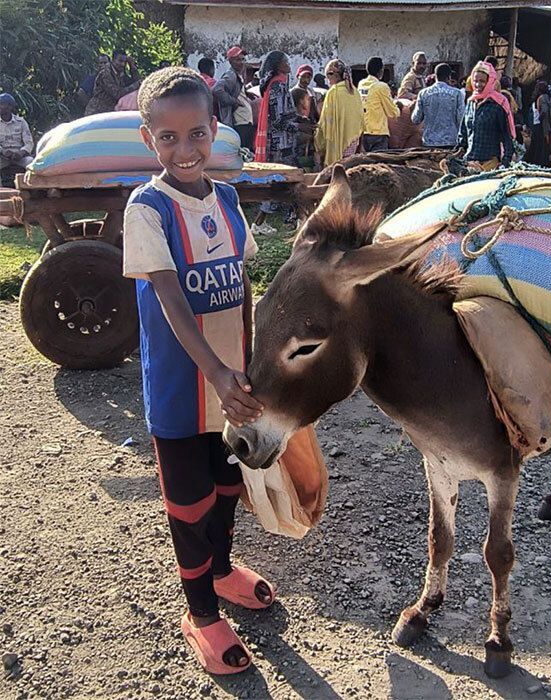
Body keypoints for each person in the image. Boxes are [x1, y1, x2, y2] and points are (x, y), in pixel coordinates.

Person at [123, 66, 271, 677]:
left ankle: (222, 567)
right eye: (168, 138)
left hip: (232, 384)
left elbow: (241, 287)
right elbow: (169, 298)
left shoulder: (229, 199)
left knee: (229, 484)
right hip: (187, 387)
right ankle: (202, 612)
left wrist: (252, 365)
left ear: (216, 130)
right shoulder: (147, 208)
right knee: (189, 501)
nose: (185, 150)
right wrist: (213, 371)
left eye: (197, 135)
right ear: (148, 139)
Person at [253, 51, 304, 232]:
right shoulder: (276, 87)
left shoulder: (279, 85)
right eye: (285, 61)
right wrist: (299, 129)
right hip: (280, 144)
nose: (288, 64)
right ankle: (261, 222)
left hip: (284, 141)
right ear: (277, 66)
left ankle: (294, 217)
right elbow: (276, 120)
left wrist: (300, 120)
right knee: (285, 179)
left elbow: (284, 113)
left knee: (286, 180)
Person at [459, 61, 515, 170]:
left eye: (482, 81)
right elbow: (463, 132)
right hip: (470, 161)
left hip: (490, 163)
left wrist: (505, 161)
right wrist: (459, 151)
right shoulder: (470, 103)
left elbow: (506, 136)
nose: (478, 85)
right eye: (475, 81)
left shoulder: (497, 105)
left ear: (490, 82)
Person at [314, 59, 364, 167]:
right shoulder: (354, 91)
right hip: (353, 143)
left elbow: (325, 122)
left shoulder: (334, 92)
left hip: (338, 144)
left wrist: (318, 144)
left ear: (334, 76)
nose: (328, 80)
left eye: (328, 76)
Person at [411, 62, 464, 147]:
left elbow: (415, 119)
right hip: (450, 141)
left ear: (435, 76)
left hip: (429, 142)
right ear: (449, 77)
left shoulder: (423, 93)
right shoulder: (457, 93)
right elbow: (461, 119)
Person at [213, 46, 254, 151]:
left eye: (242, 59)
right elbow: (217, 89)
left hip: (245, 121)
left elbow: (236, 91)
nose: (241, 62)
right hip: (239, 122)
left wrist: (246, 93)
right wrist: (234, 102)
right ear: (231, 61)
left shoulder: (238, 75)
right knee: (242, 152)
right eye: (238, 60)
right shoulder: (231, 75)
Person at [358, 56, 399, 152]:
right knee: (379, 164)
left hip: (364, 133)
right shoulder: (381, 87)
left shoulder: (361, 84)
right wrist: (398, 108)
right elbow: (391, 112)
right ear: (380, 71)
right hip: (378, 134)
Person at [85, 49, 140, 116]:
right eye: (120, 61)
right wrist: (136, 84)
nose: (122, 64)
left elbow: (137, 83)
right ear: (113, 60)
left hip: (108, 113)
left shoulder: (120, 74)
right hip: (96, 112)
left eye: (125, 62)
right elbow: (117, 94)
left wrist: (132, 66)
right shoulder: (105, 73)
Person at [0, 93, 33, 187]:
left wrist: (21, 153)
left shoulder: (21, 122)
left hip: (20, 157)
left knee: (31, 163)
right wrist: (3, 151)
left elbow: (29, 143)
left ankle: (29, 190)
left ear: (10, 107)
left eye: (2, 104)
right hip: (3, 157)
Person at [526, 80, 551, 166]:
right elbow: (544, 111)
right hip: (541, 125)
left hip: (536, 125)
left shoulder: (537, 98)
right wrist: (541, 118)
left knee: (536, 146)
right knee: (542, 147)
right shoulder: (544, 97)